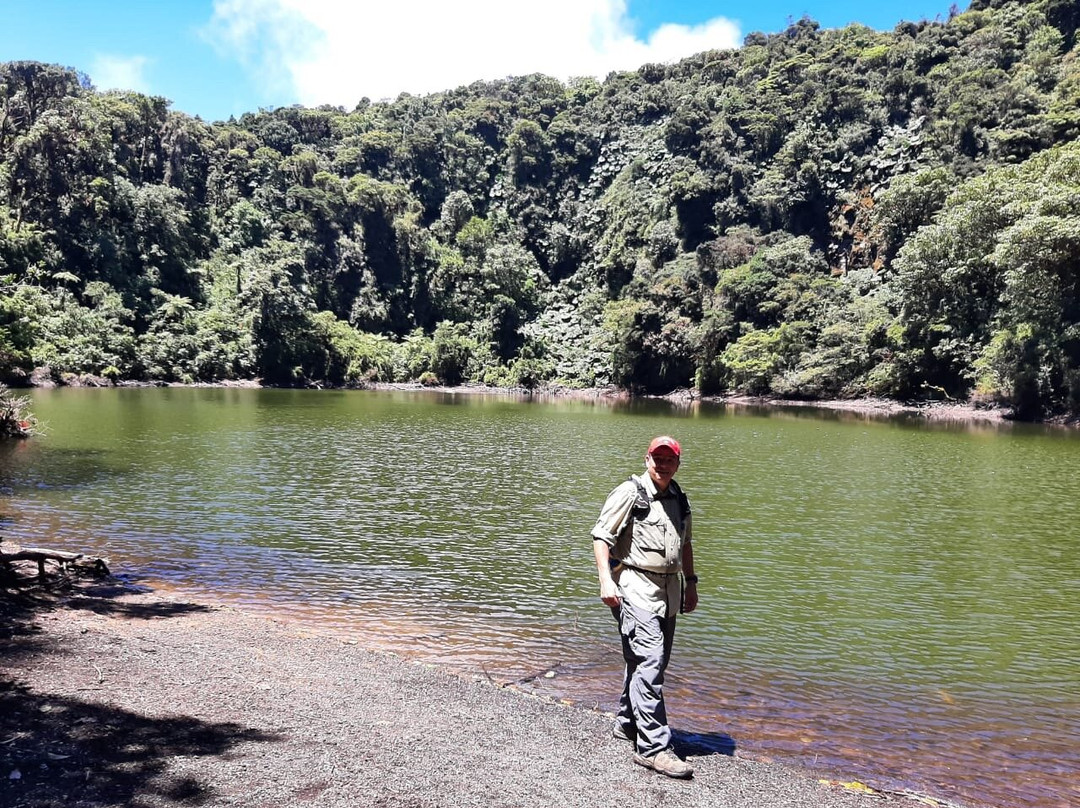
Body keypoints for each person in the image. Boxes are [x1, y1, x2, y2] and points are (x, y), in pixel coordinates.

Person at [591, 435, 698, 779]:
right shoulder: (630, 493)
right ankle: (652, 748)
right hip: (634, 588)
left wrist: (691, 584)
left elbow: (686, 544)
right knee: (650, 660)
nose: (663, 464)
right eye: (657, 458)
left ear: (677, 464)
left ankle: (627, 723)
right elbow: (601, 537)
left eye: (669, 459)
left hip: (668, 593)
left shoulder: (679, 498)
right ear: (646, 458)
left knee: (646, 661)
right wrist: (606, 581)